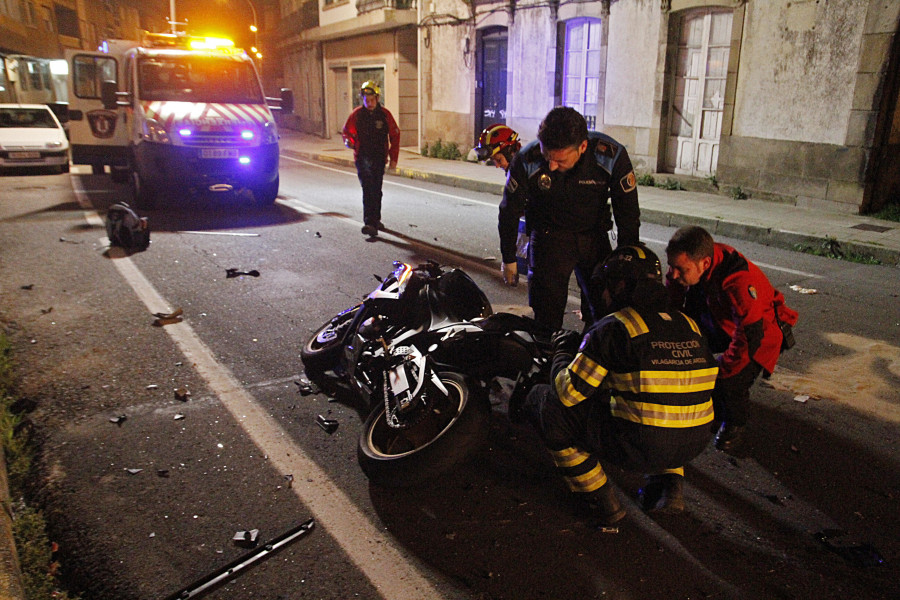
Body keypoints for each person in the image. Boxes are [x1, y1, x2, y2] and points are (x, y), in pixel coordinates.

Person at [516, 244, 718, 525]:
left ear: (621, 284)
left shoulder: (616, 326)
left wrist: (562, 352)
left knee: (548, 405)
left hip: (642, 444)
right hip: (695, 441)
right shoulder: (688, 324)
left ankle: (599, 498)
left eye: (606, 286)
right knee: (665, 404)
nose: (603, 294)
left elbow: (567, 393)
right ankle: (668, 489)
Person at [497, 106, 640, 332]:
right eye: (547, 157)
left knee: (603, 311)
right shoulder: (528, 158)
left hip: (593, 238)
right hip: (548, 240)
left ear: (582, 147)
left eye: (559, 160)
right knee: (546, 316)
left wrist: (627, 263)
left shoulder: (610, 156)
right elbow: (509, 210)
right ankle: (549, 359)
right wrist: (508, 257)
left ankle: (588, 359)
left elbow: (628, 215)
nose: (551, 166)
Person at [665, 226, 798, 453]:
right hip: (721, 318)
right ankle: (711, 404)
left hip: (759, 334)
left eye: (680, 269)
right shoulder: (696, 263)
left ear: (704, 264)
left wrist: (722, 370)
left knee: (730, 380)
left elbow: (749, 337)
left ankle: (735, 424)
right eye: (671, 266)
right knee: (689, 347)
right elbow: (672, 299)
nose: (674, 274)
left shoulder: (739, 281)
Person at [342, 80, 400, 237]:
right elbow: (346, 132)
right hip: (362, 158)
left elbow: (395, 135)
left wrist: (393, 159)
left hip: (379, 158)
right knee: (368, 189)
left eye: (372, 99)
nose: (369, 102)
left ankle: (376, 219)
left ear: (377, 97)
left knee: (377, 189)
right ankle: (370, 223)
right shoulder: (357, 115)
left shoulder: (385, 115)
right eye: (366, 99)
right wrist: (350, 142)